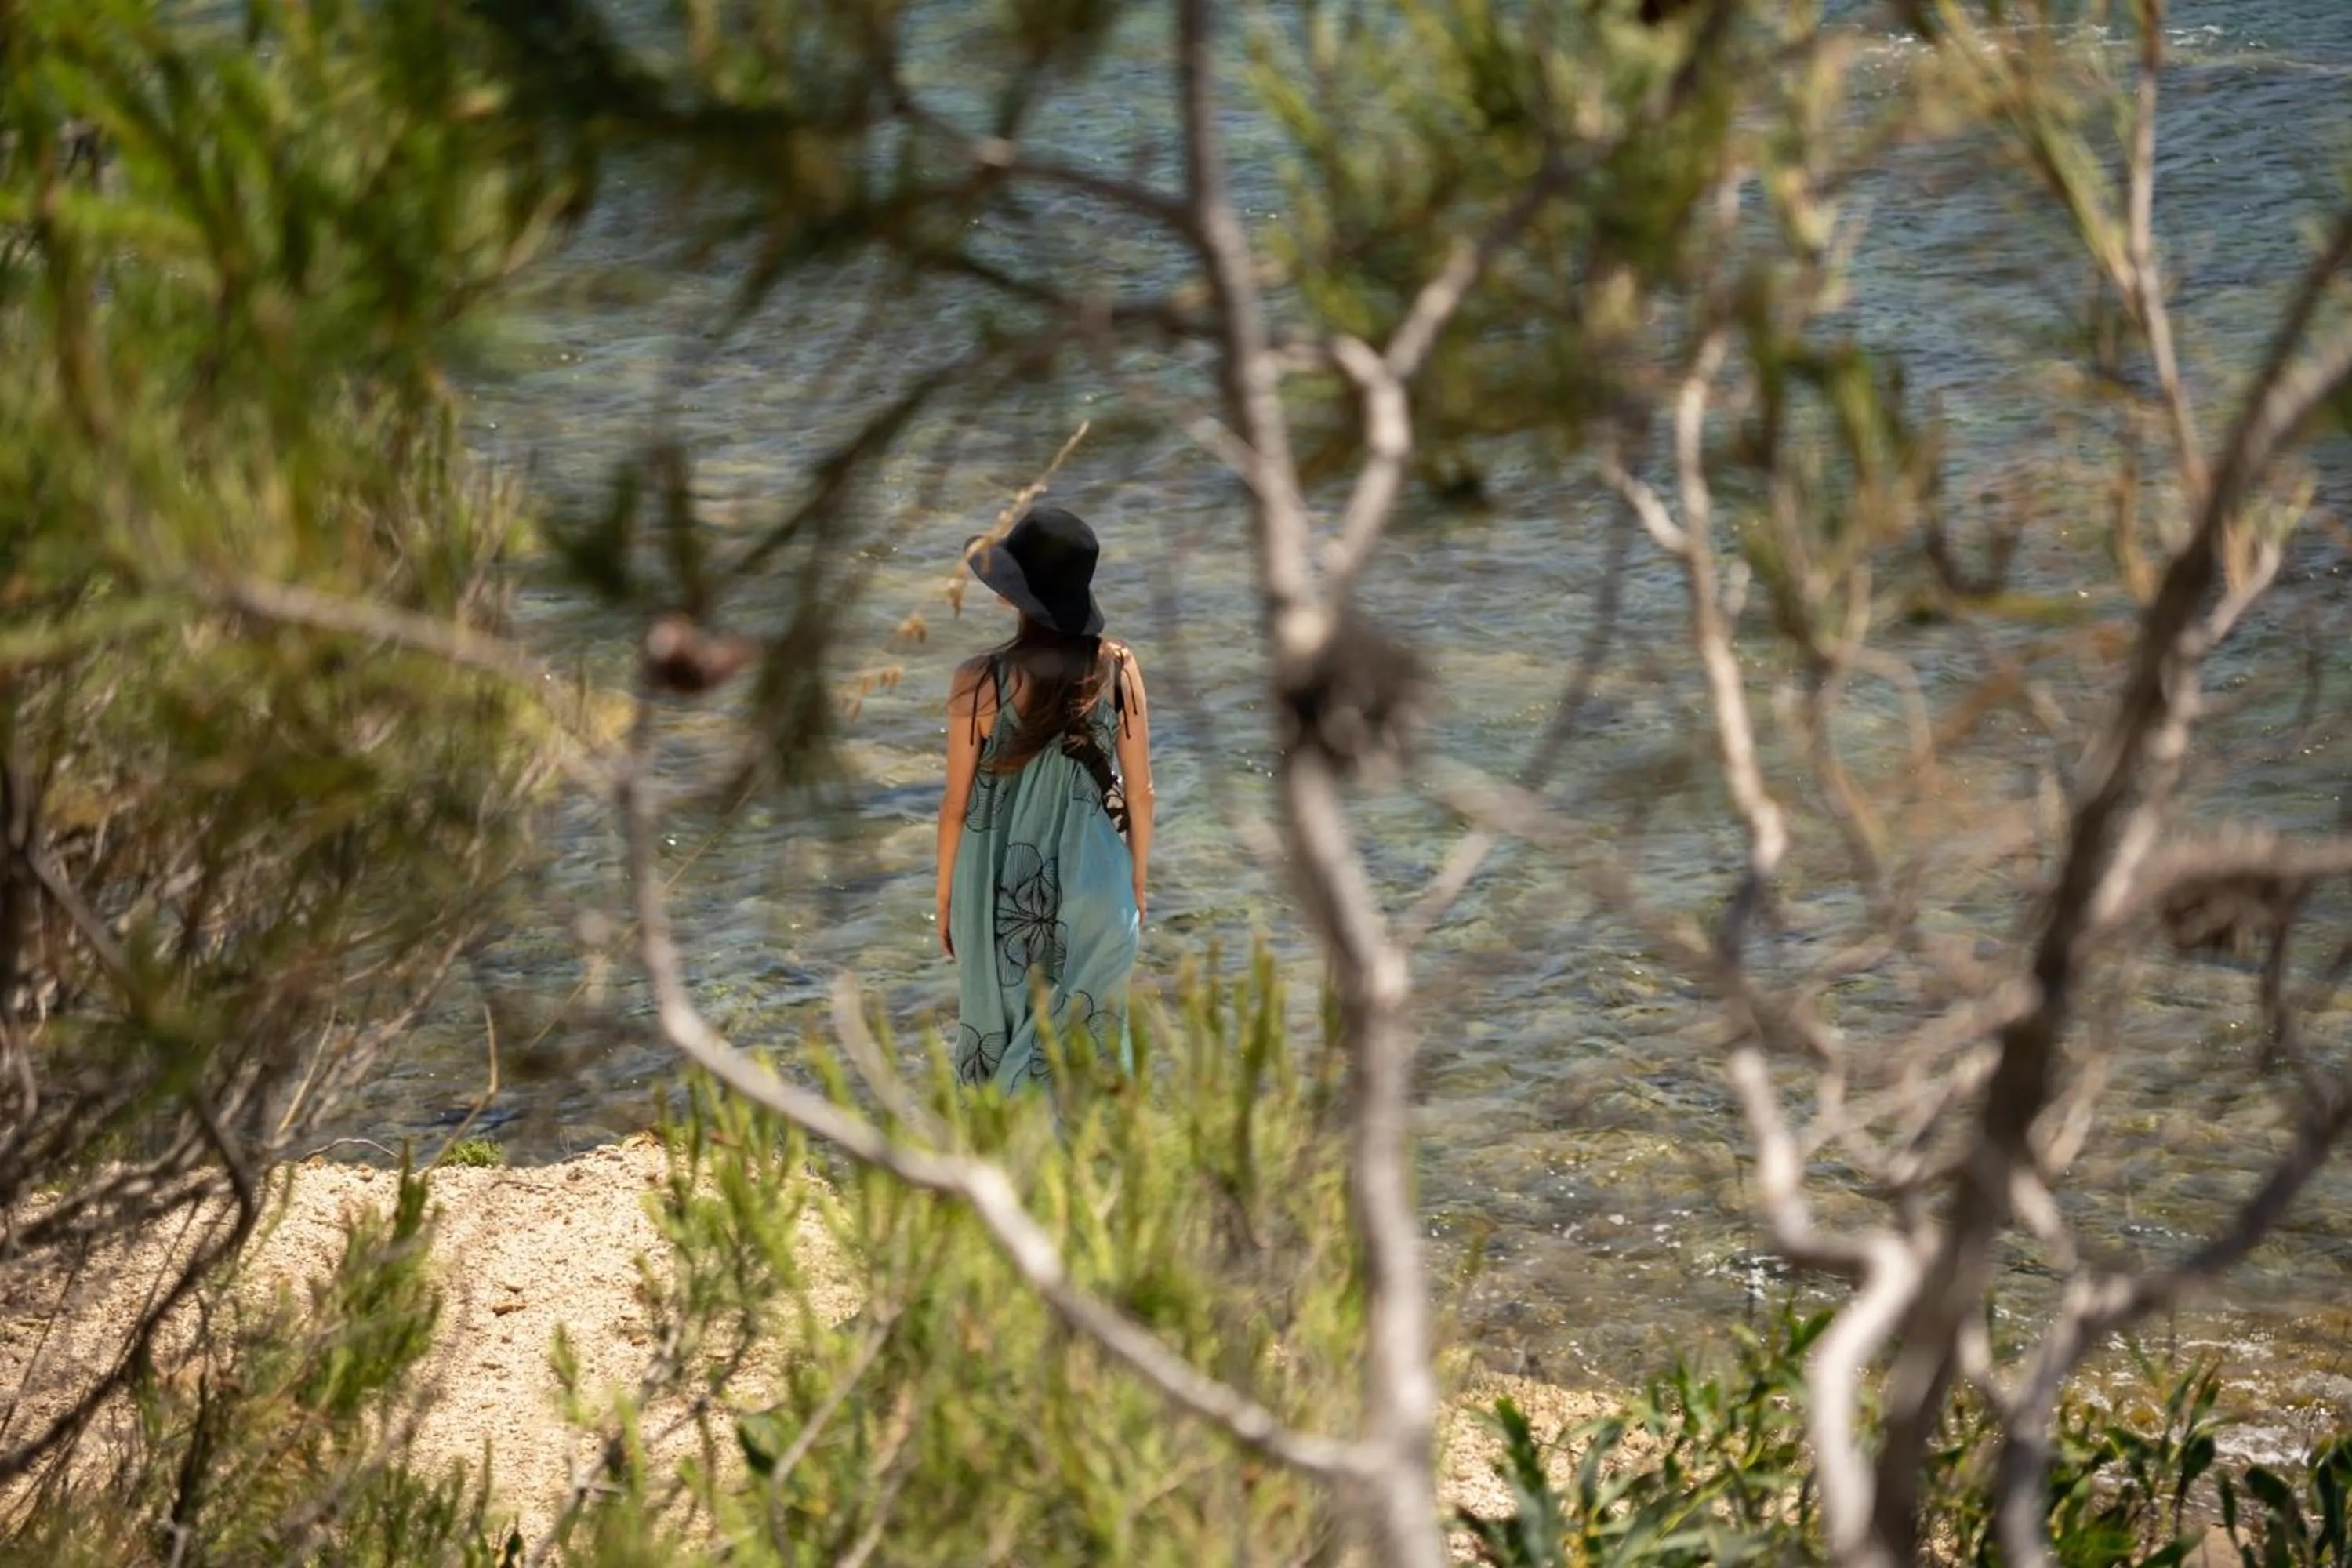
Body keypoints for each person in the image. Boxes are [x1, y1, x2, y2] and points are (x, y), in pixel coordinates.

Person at [935, 504, 1153, 1091]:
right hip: (1100, 886)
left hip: (1004, 891)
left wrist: (948, 896)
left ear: (1017, 594)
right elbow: (1141, 794)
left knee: (1004, 1046)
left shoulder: (978, 682)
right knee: (1088, 1064)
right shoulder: (1119, 669)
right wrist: (1135, 880)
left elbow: (955, 806)